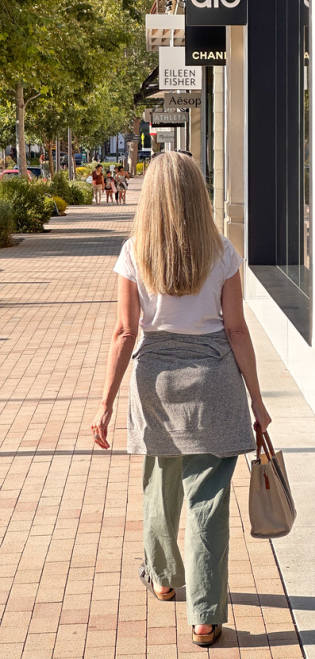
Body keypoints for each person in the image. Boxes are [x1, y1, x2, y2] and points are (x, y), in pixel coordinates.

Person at [89, 152, 271, 648]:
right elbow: (236, 328)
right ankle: (206, 617)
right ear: (198, 194)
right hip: (215, 383)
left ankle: (165, 577)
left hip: (156, 383)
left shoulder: (134, 252)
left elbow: (125, 333)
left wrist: (105, 405)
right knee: (208, 502)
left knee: (159, 484)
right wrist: (256, 400)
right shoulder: (222, 252)